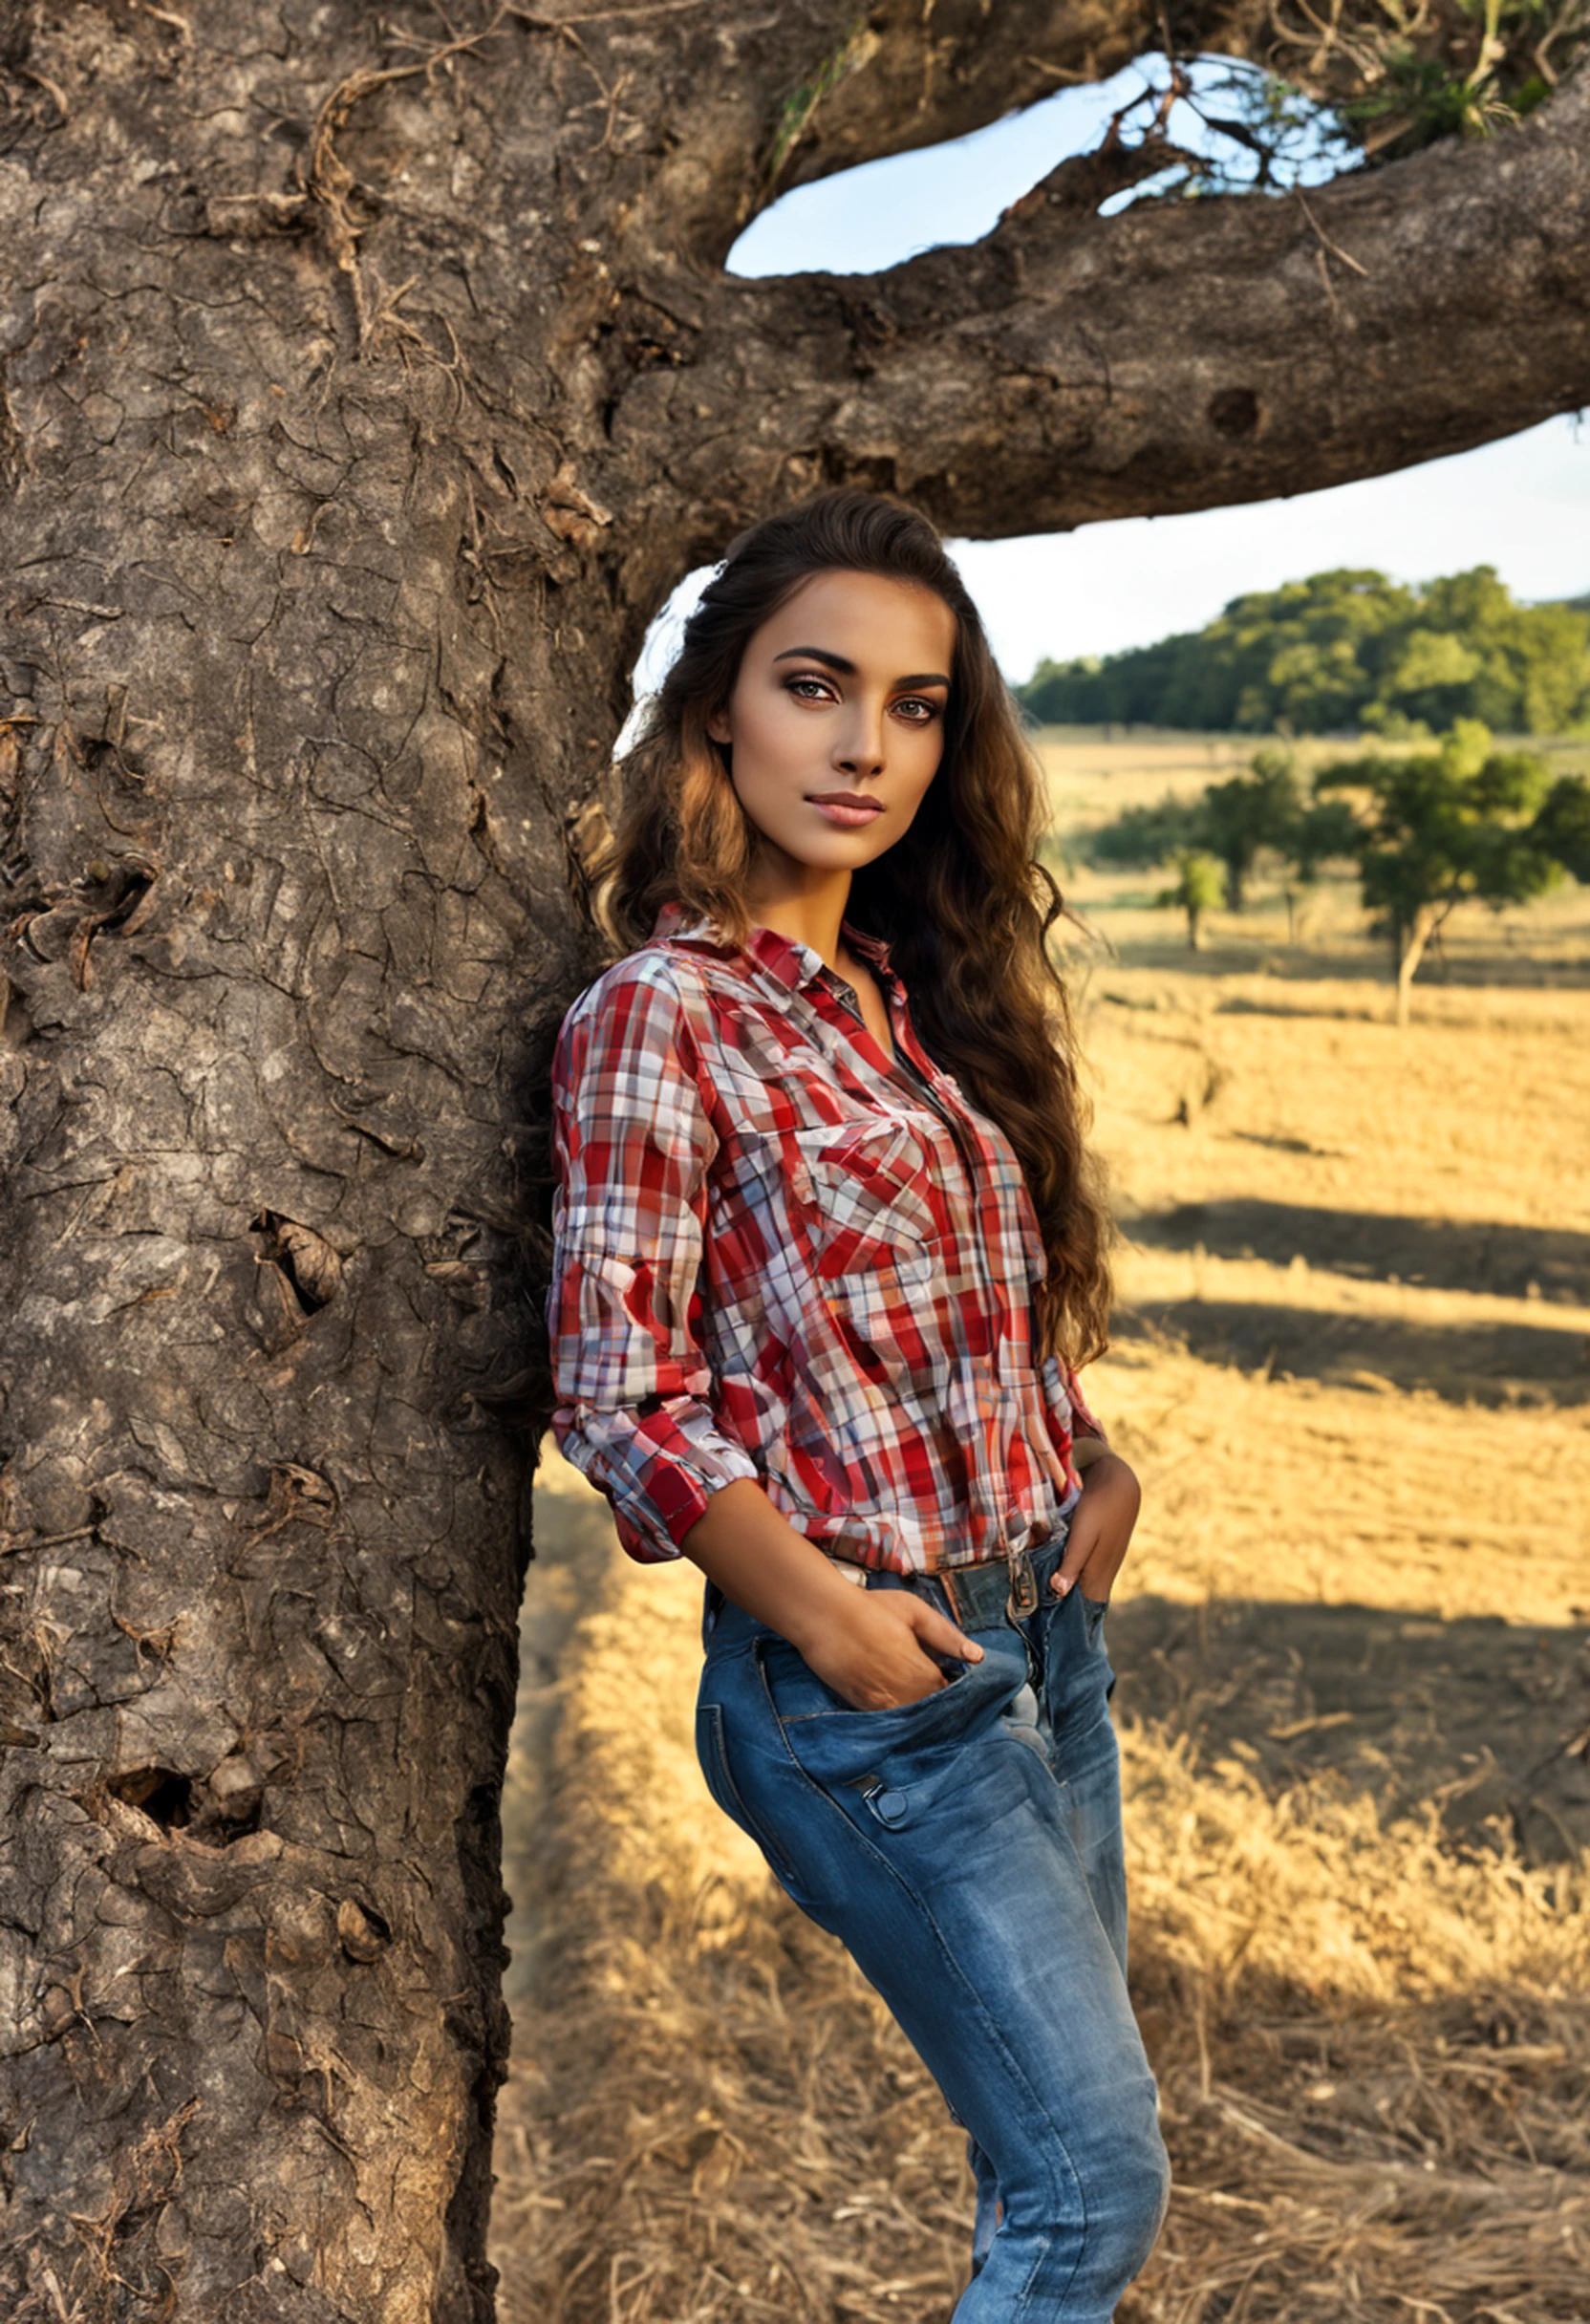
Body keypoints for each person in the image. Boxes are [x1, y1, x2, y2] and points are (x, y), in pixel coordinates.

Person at [545, 488, 1171, 2317]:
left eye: (916, 706)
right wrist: (822, 1614)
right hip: (865, 1686)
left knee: (1047, 2165)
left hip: (1044, 1642)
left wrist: (1093, 1461)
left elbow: (961, 1308)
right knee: (1089, 2192)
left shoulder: (900, 1002)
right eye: (817, 686)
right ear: (718, 710)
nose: (866, 744)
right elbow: (621, 1389)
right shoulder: (668, 1014)